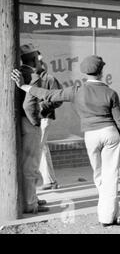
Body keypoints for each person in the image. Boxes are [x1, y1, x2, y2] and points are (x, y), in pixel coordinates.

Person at [12, 55, 120, 227]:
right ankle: (107, 217)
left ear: (85, 72)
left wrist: (23, 85)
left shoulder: (76, 91)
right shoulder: (111, 93)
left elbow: (48, 95)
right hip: (110, 134)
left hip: (91, 136)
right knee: (110, 176)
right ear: (101, 72)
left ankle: (116, 212)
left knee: (99, 177)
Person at [18, 44, 49, 214]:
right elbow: (29, 104)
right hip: (29, 124)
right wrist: (36, 122)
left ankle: (32, 198)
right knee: (31, 166)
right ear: (34, 58)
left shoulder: (21, 72)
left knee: (29, 165)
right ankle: (30, 204)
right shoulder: (32, 75)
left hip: (23, 123)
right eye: (38, 57)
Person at [36, 51, 63, 190]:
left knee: (39, 148)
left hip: (44, 118)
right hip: (33, 119)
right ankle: (50, 181)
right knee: (41, 147)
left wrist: (41, 106)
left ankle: (50, 181)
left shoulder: (50, 79)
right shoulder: (28, 77)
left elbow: (58, 99)